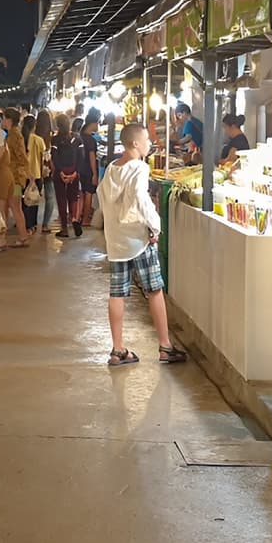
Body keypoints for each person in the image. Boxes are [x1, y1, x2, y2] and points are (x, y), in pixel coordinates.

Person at [96, 123, 184, 367]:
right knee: (154, 289)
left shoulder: (112, 168)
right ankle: (165, 346)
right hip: (138, 239)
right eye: (146, 139)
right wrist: (155, 226)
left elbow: (102, 196)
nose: (149, 143)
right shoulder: (139, 167)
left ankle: (118, 349)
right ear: (135, 143)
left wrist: (113, 227)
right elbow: (141, 198)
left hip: (116, 240)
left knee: (117, 293)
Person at [0, 108, 30, 248]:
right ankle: (22, 236)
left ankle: (18, 237)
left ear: (8, 120)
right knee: (14, 207)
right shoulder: (14, 134)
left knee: (12, 207)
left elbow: (21, 157)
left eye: (4, 118)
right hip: (15, 178)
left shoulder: (13, 135)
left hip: (13, 178)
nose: (2, 121)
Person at [50, 123, 84, 236]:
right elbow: (81, 156)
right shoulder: (77, 139)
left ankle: (64, 228)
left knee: (61, 199)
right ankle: (74, 218)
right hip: (73, 170)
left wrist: (60, 172)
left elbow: (54, 156)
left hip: (60, 172)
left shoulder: (55, 139)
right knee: (73, 197)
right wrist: (76, 172)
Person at [75, 114, 103, 236]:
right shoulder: (91, 140)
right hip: (88, 170)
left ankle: (78, 217)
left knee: (81, 194)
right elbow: (92, 158)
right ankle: (85, 219)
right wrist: (95, 174)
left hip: (79, 169)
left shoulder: (79, 137)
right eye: (98, 123)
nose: (98, 126)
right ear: (93, 124)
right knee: (88, 193)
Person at [25, 110, 51, 237]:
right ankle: (33, 225)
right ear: (34, 126)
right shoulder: (39, 140)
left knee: (23, 200)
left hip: (22, 175)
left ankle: (26, 224)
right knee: (34, 201)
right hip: (36, 174)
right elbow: (43, 159)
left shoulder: (22, 138)